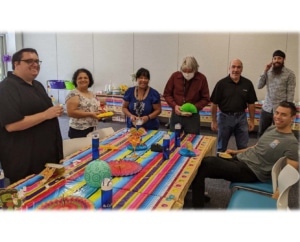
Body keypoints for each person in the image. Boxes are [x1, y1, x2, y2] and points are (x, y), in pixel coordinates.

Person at [192, 101, 299, 208]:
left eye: (283, 114)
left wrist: (280, 190)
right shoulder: (272, 128)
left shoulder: (291, 142)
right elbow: (256, 147)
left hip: (251, 171)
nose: (278, 117)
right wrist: (235, 152)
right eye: (277, 113)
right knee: (202, 162)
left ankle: (197, 205)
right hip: (241, 160)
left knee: (207, 163)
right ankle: (198, 195)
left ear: (292, 118)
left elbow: (291, 170)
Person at [0, 48, 64, 184]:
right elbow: (12, 125)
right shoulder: (6, 88)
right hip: (25, 161)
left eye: (37, 61)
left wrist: (54, 112)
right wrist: (46, 115)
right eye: (29, 61)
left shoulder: (37, 85)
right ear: (16, 64)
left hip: (46, 156)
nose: (35, 64)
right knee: (30, 200)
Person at [210, 59, 257, 152]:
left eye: (238, 67)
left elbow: (251, 104)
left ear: (242, 69)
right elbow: (214, 104)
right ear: (229, 68)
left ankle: (241, 166)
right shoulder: (221, 84)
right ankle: (219, 165)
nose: (236, 69)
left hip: (241, 118)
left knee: (243, 146)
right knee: (221, 147)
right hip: (224, 118)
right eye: (233, 67)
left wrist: (252, 120)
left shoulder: (248, 84)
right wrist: (214, 121)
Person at [163, 56, 210, 134]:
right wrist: (174, 106)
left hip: (192, 116)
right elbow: (167, 94)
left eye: (190, 71)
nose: (187, 74)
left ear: (195, 70)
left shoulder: (201, 78)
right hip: (176, 114)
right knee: (173, 139)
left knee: (192, 140)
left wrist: (195, 107)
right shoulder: (175, 76)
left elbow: (205, 98)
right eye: (184, 71)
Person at [257, 50, 296, 137]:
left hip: (280, 111)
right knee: (262, 133)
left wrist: (288, 111)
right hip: (267, 108)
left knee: (280, 134)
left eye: (279, 58)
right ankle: (260, 150)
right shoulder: (268, 72)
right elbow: (259, 86)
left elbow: (290, 93)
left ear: (284, 60)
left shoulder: (290, 74)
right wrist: (265, 71)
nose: (276, 60)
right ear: (272, 60)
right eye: (274, 58)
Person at [65, 68, 100, 138]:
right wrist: (90, 114)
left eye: (85, 78)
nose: (83, 80)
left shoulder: (92, 94)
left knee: (90, 147)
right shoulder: (73, 94)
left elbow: (93, 107)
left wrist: (100, 113)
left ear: (89, 80)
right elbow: (71, 112)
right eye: (80, 78)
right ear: (75, 81)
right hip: (78, 130)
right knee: (80, 148)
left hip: (92, 127)